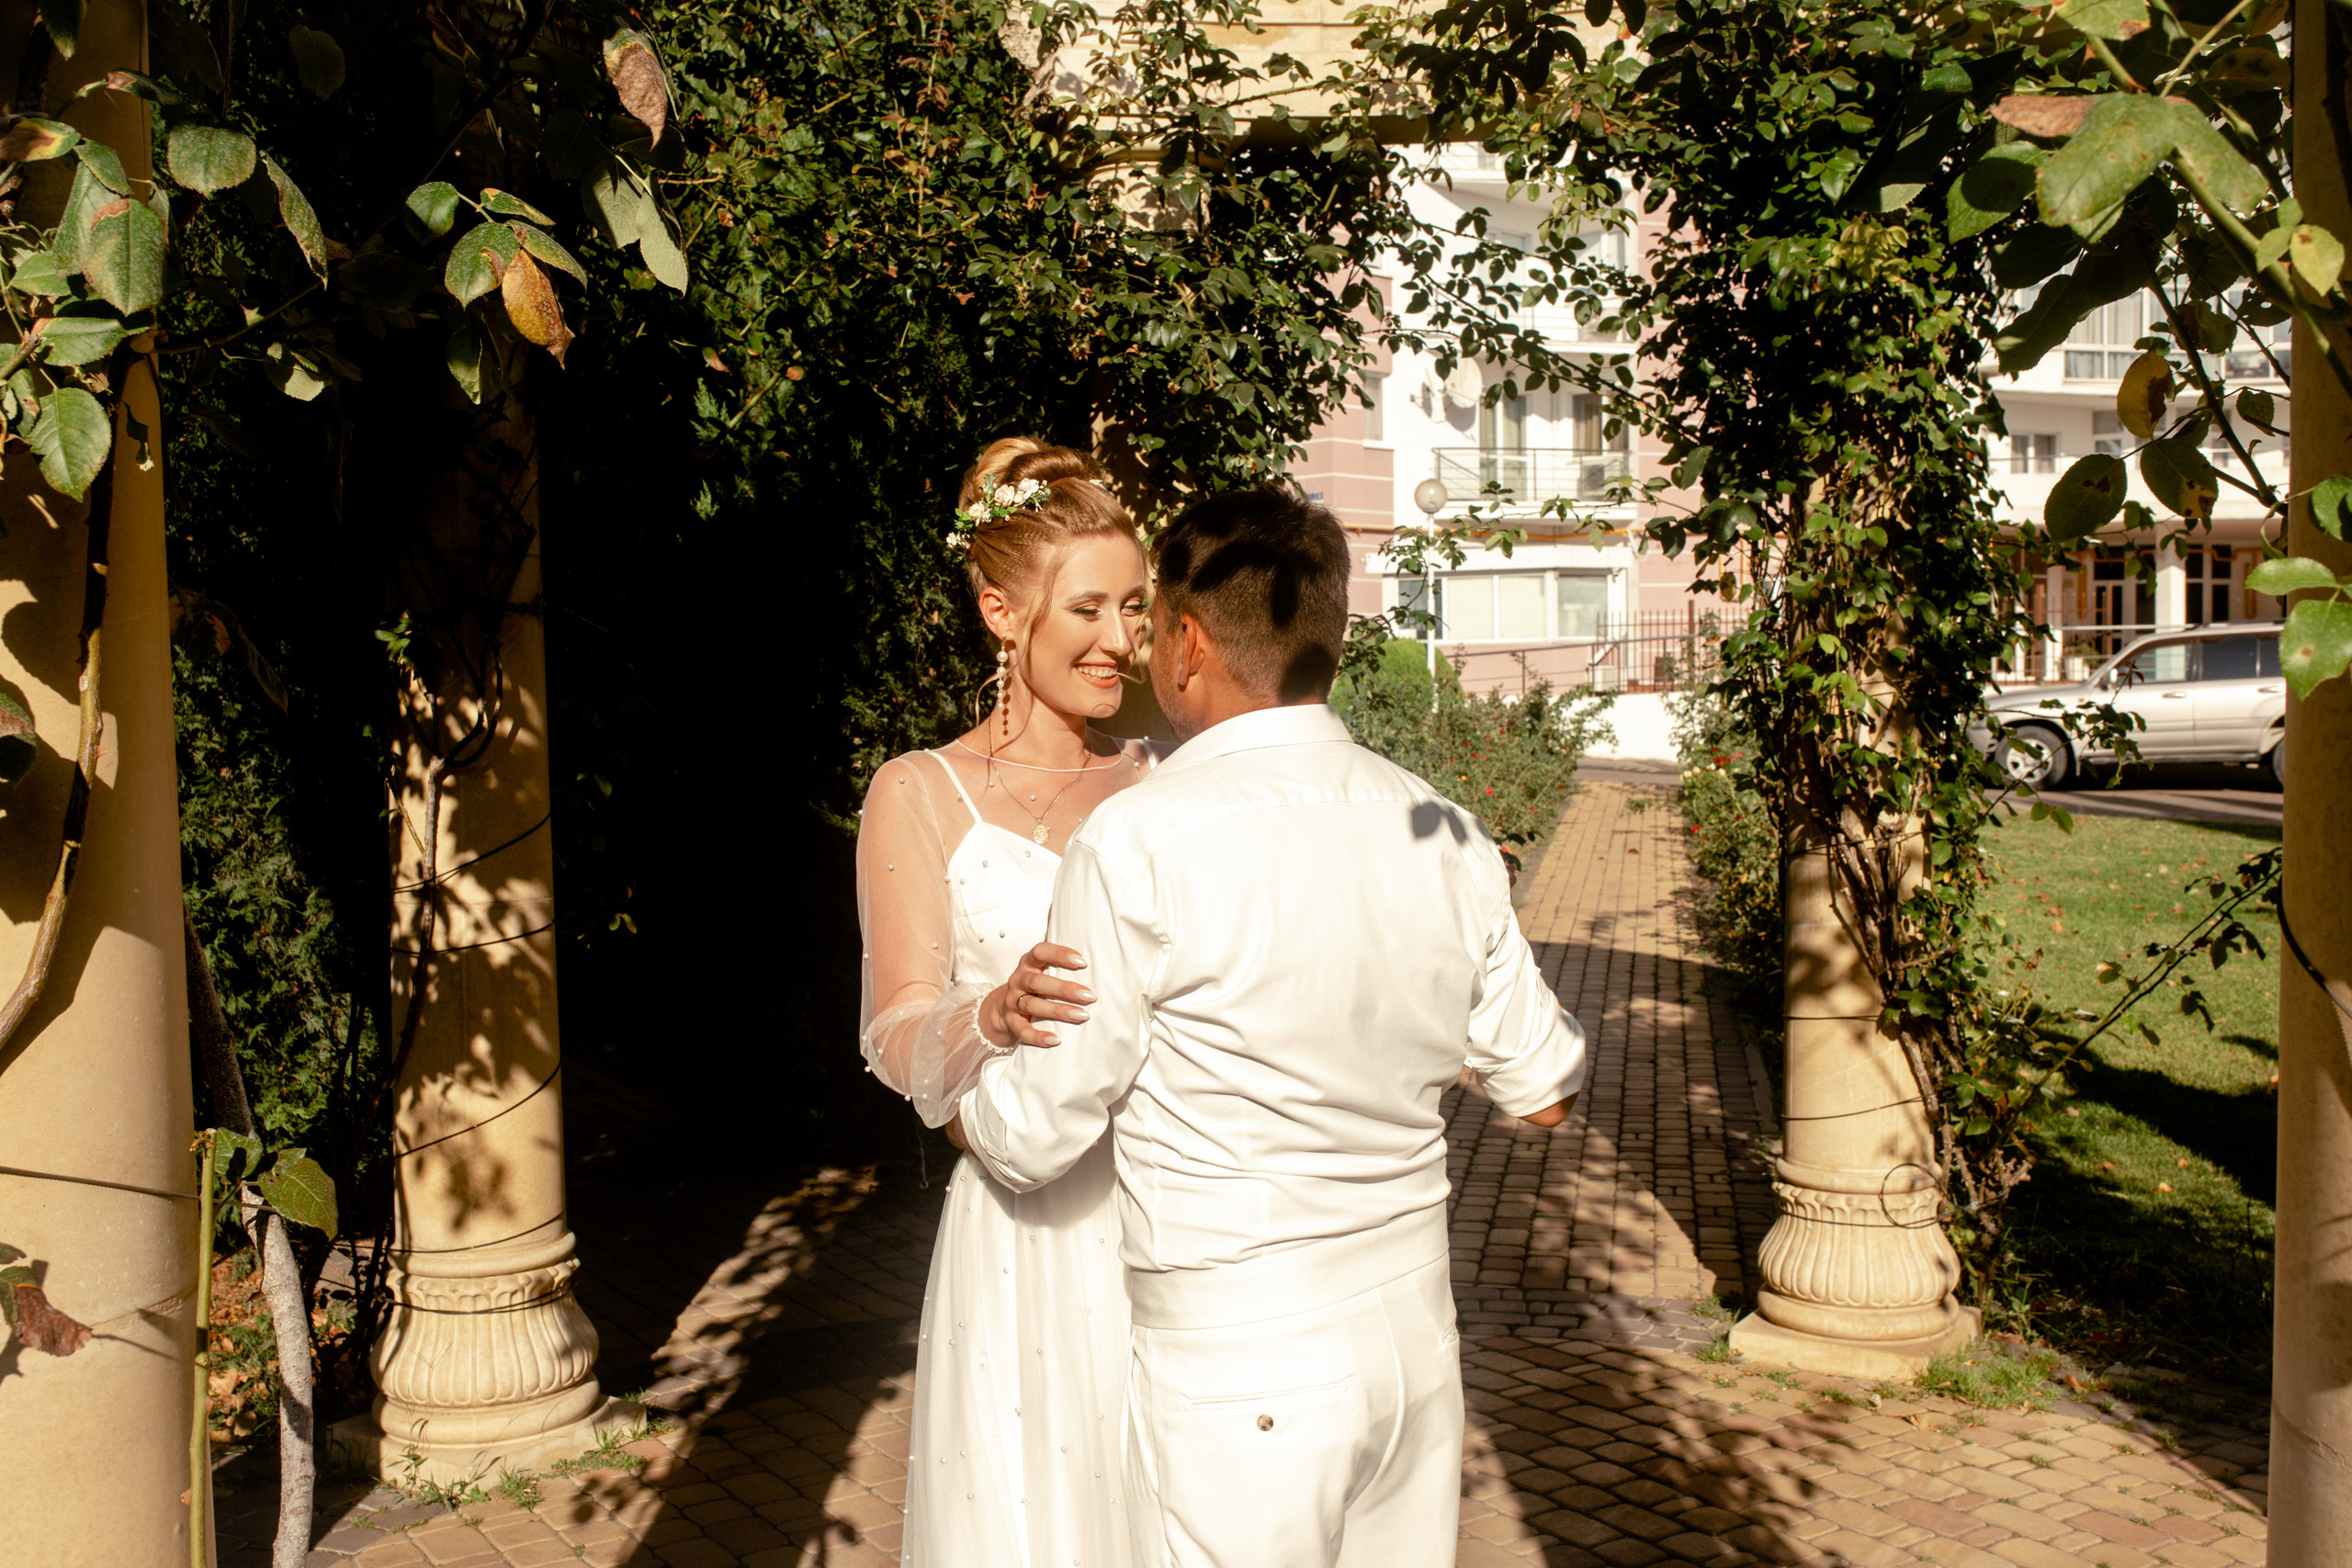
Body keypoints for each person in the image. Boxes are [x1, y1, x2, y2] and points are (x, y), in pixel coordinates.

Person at [952, 486, 1588, 1568]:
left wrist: (956, 1097)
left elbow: (1042, 1130)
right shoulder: (1445, 831)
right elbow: (1546, 1092)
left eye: (1152, 622)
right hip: (1412, 1335)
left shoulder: (1139, 840)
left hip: (1240, 1357)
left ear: (1190, 643)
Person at [854, 436, 1166, 1568]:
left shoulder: (1164, 779)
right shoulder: (917, 792)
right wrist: (989, 1015)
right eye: (1088, 608)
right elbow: (896, 1028)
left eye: (1133, 607)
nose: (1121, 640)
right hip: (1021, 1241)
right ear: (1000, 612)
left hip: (1172, 1212)